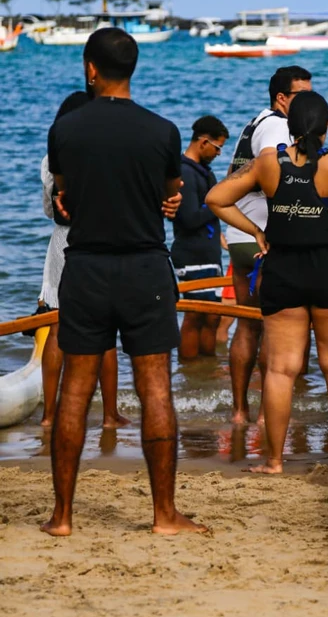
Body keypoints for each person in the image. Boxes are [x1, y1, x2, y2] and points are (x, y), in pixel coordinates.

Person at [42, 27, 207, 537]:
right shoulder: (163, 131)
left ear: (91, 69)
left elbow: (64, 196)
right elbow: (170, 191)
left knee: (74, 391)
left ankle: (63, 517)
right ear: (132, 69)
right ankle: (164, 515)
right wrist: (166, 200)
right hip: (144, 268)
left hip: (86, 266)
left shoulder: (65, 130)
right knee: (155, 388)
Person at [207, 90, 328, 474]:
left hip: (283, 273)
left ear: (290, 126)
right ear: (326, 126)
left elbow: (216, 198)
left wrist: (257, 231)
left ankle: (274, 461)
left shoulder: (268, 163)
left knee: (280, 370)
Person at [226, 65, 312, 423]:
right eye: (302, 96)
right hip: (264, 236)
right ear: (281, 98)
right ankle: (265, 414)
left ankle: (239, 412)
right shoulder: (278, 126)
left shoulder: (255, 122)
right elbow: (273, 174)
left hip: (239, 235)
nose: (309, 102)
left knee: (246, 326)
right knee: (273, 327)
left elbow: (235, 178)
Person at [38, 91, 125, 430]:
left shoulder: (50, 158)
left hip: (61, 242)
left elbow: (49, 211)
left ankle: (49, 416)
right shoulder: (102, 152)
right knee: (104, 329)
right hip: (98, 240)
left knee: (57, 327)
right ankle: (109, 415)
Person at [171, 115, 229, 359]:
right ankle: (189, 367)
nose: (218, 153)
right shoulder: (185, 171)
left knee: (213, 315)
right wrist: (217, 202)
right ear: (203, 142)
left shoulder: (203, 172)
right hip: (191, 253)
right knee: (196, 314)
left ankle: (206, 369)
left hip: (208, 252)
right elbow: (189, 218)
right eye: (217, 147)